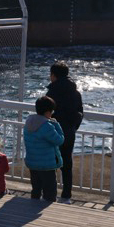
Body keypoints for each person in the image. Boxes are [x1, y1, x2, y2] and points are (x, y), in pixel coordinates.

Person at [45, 61, 83, 204]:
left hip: (53, 131)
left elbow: (46, 113)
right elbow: (80, 112)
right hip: (69, 131)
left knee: (51, 162)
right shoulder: (75, 93)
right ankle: (66, 195)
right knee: (67, 163)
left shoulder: (52, 92)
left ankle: (50, 194)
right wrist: (73, 127)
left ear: (54, 75)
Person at [23, 95, 64, 203]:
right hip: (47, 165)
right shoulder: (47, 126)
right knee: (50, 194)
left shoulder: (29, 122)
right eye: (52, 111)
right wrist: (56, 124)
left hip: (33, 163)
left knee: (36, 190)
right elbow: (59, 140)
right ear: (47, 111)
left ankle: (32, 208)